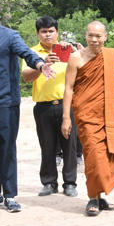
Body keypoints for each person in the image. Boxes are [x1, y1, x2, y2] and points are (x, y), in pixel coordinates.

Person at [0, 0, 52, 213]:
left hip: (5, 102)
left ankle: (10, 196)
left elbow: (27, 53)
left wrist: (40, 64)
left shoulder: (9, 36)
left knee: (6, 148)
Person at [61, 21, 114, 216]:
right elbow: (68, 88)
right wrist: (66, 117)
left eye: (98, 36)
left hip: (111, 113)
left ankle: (100, 198)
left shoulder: (112, 56)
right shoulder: (75, 58)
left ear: (105, 37)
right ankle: (92, 198)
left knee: (110, 158)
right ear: (85, 35)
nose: (94, 39)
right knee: (94, 158)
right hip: (87, 114)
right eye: (91, 35)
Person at [22, 16, 78, 198]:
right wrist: (43, 64)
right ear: (37, 33)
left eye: (51, 31)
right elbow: (26, 77)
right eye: (43, 32)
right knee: (47, 146)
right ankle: (48, 183)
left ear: (57, 32)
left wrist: (76, 51)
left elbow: (82, 71)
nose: (47, 35)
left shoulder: (68, 51)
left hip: (66, 105)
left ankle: (70, 183)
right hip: (43, 107)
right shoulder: (32, 53)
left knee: (69, 145)